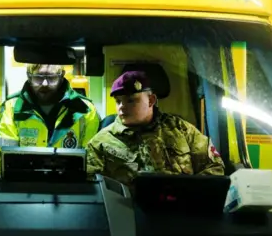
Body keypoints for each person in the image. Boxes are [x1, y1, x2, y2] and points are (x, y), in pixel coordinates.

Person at [86, 71, 225, 186]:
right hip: (127, 213)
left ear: (151, 100)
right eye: (118, 101)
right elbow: (92, 186)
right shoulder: (100, 143)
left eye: (130, 100)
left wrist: (189, 194)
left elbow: (214, 168)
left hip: (181, 210)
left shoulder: (181, 130)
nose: (121, 106)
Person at [0, 64, 100, 152]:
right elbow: (5, 152)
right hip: (23, 177)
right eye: (38, 77)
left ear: (62, 76)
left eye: (51, 77)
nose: (45, 84)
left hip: (71, 177)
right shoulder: (11, 108)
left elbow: (91, 157)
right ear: (29, 77)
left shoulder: (85, 110)